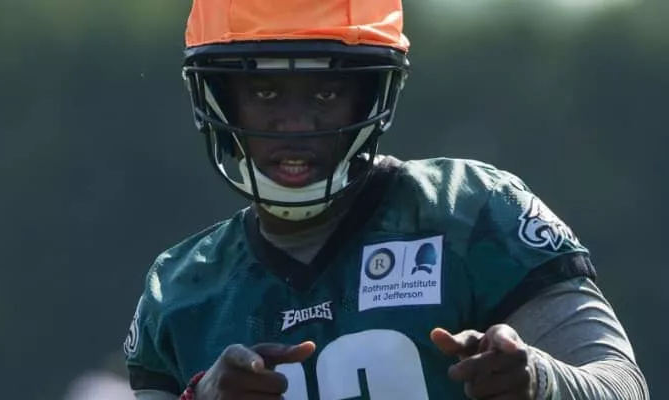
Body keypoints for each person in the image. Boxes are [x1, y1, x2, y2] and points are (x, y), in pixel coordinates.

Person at [123, 0, 649, 399]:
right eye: (265, 93)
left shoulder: (470, 214)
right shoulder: (182, 291)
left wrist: (542, 380)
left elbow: (622, 385)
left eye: (326, 93)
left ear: (373, 95)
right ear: (218, 99)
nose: (296, 124)